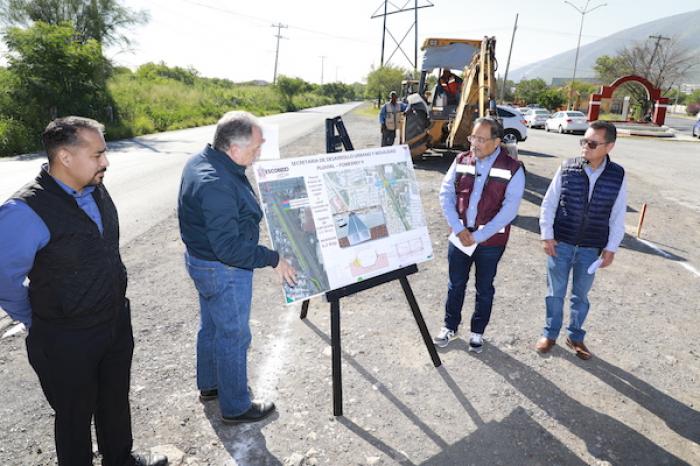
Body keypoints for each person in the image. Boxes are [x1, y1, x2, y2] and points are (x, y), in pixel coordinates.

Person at [0, 117, 167, 466]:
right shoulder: (24, 211)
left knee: (114, 400)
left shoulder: (95, 186)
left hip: (114, 321)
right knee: (75, 417)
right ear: (64, 157)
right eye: (97, 154)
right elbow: (3, 279)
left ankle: (120, 459)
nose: (105, 162)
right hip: (66, 336)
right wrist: (38, 319)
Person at [178, 111, 297, 425]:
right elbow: (228, 248)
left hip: (201, 261)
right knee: (234, 335)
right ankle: (235, 406)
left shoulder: (204, 161)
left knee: (212, 327)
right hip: (223, 269)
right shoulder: (216, 183)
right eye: (255, 149)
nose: (259, 154)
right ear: (232, 148)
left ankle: (211, 385)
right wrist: (273, 258)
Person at [536, 120, 627, 360]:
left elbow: (617, 215)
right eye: (583, 141)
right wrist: (547, 235)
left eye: (592, 143)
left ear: (609, 146)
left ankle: (575, 336)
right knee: (555, 293)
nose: (585, 147)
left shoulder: (617, 175)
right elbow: (549, 203)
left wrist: (611, 248)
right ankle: (550, 333)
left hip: (590, 249)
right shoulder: (567, 167)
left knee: (580, 296)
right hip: (561, 243)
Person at [433, 117, 525, 352]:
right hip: (460, 237)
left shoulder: (513, 168)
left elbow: (510, 209)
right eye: (473, 137)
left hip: (490, 242)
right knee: (456, 284)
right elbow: (446, 194)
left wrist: (480, 236)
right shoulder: (461, 160)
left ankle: (477, 332)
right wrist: (458, 228)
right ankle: (449, 326)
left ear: (496, 142)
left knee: (484, 288)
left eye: (482, 139)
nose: (475, 143)